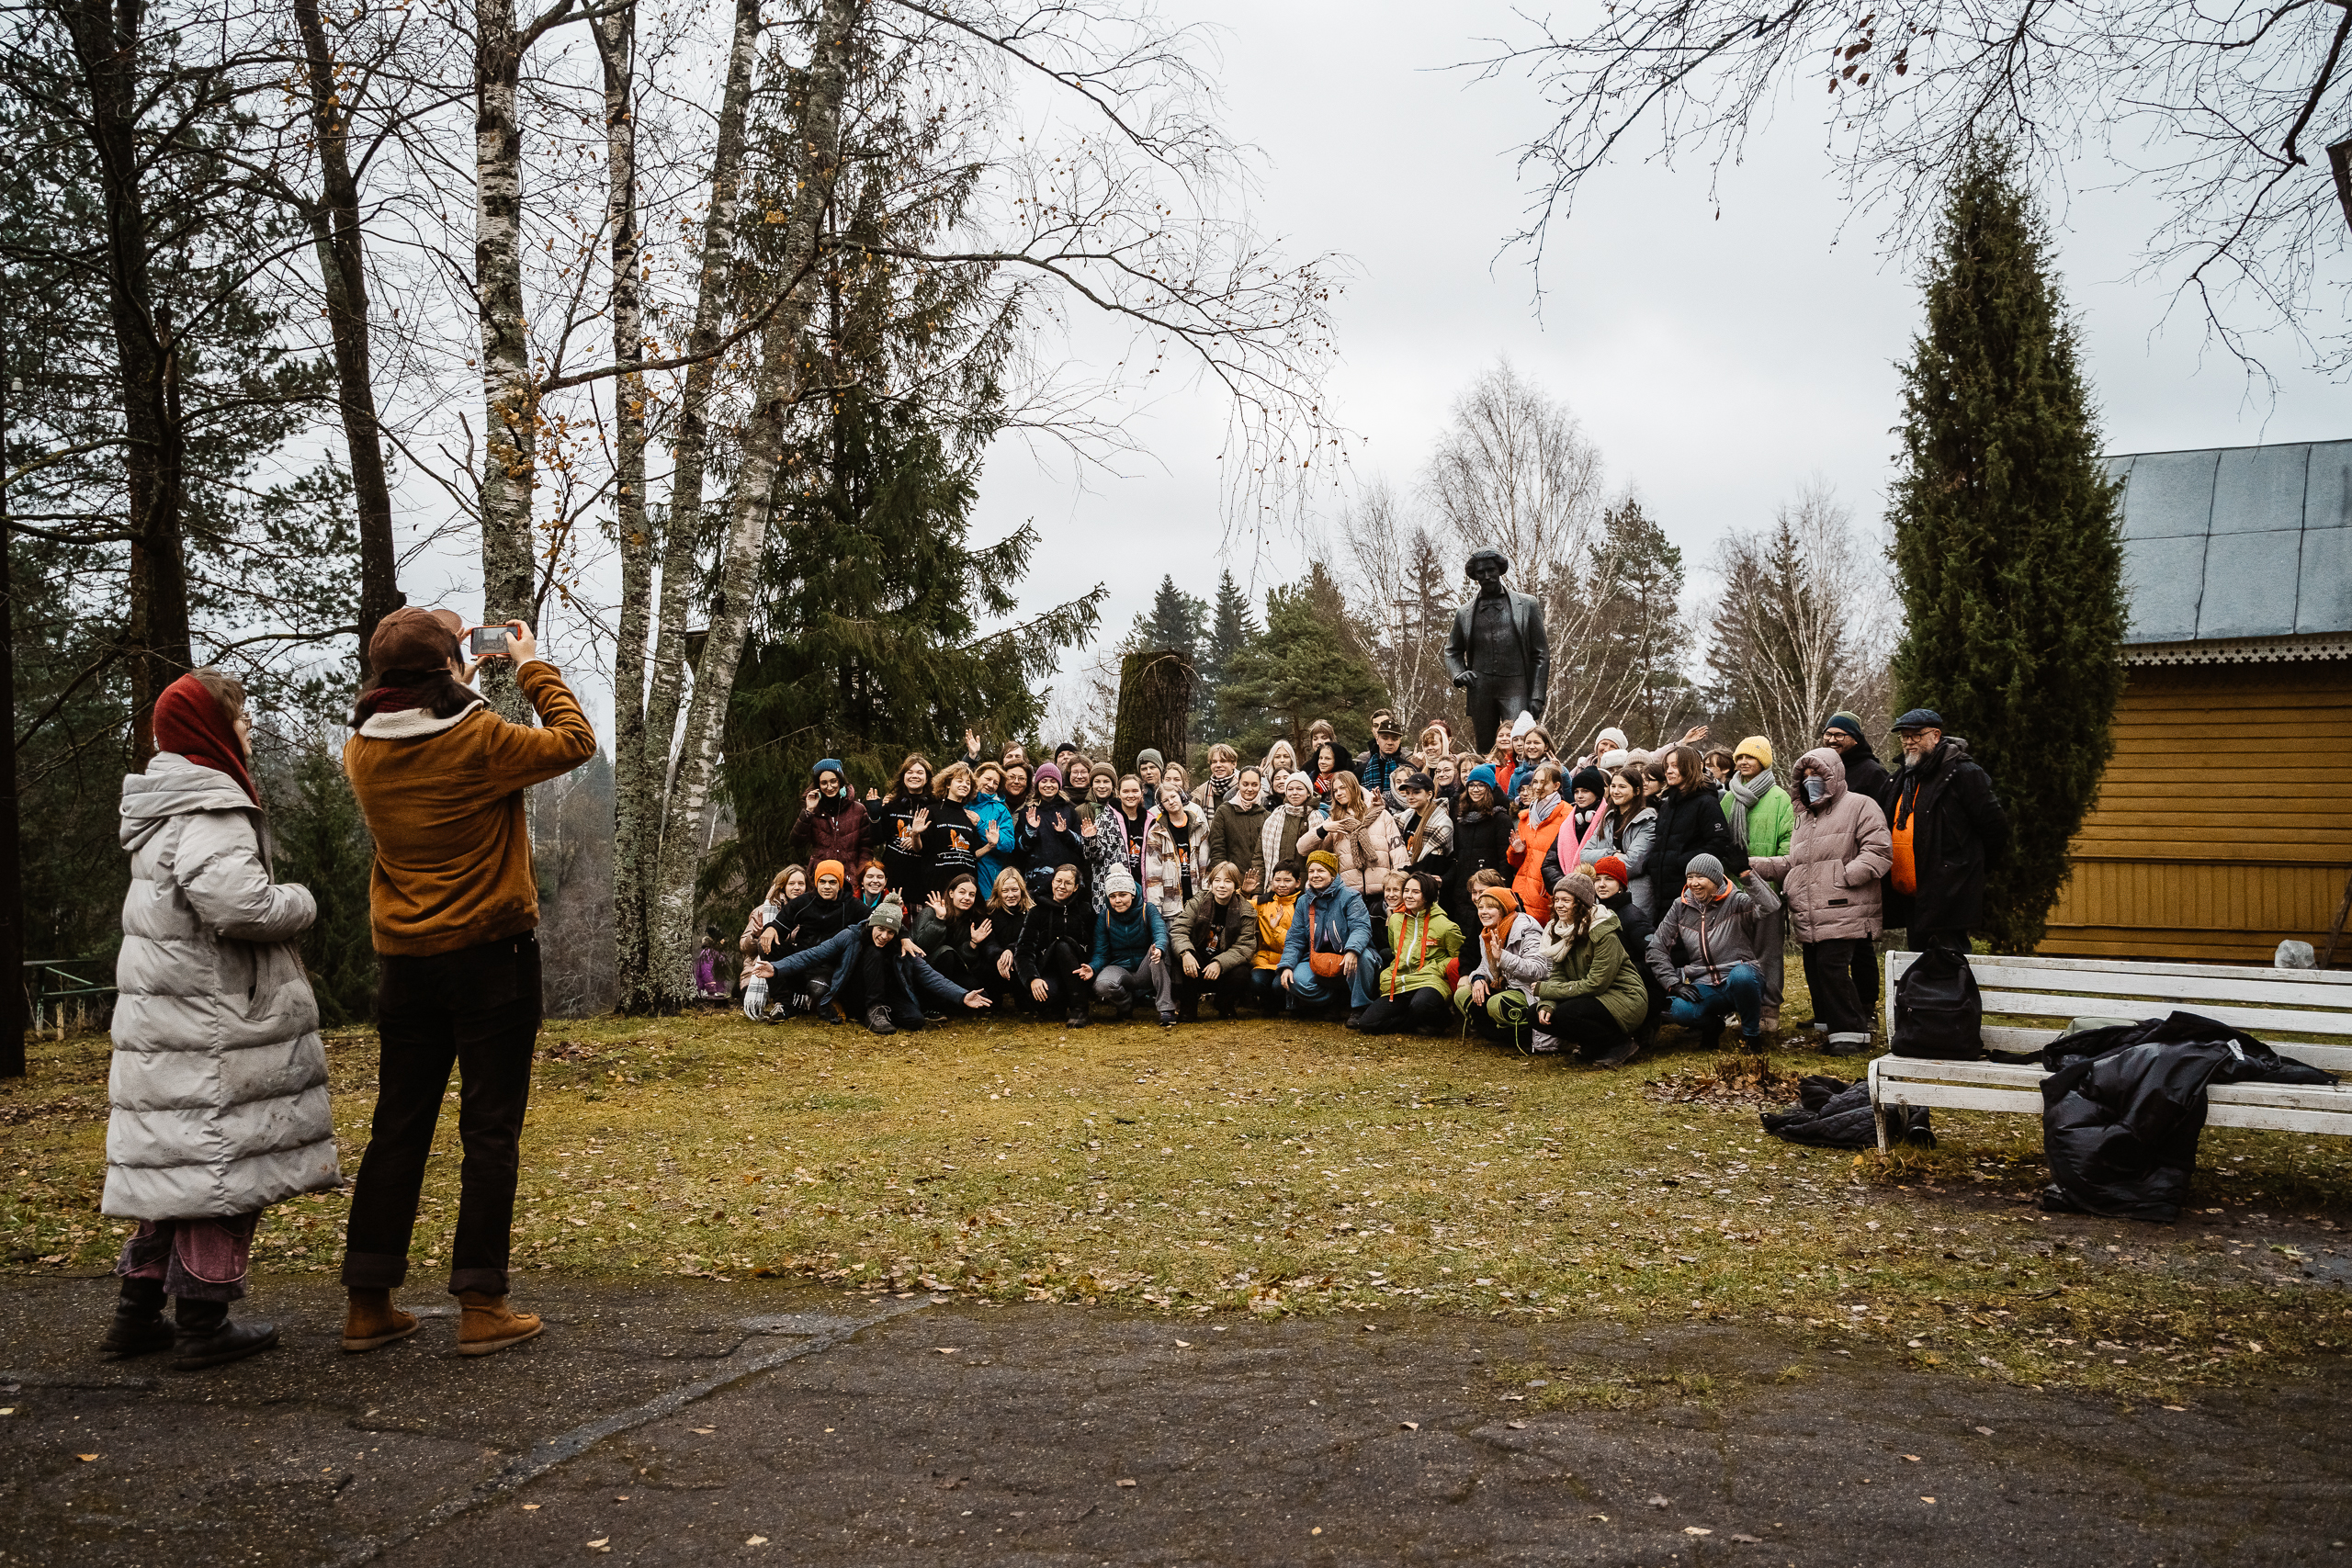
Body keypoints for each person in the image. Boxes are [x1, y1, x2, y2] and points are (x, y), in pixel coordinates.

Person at [338, 609, 595, 1358]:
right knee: (489, 1129)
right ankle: (481, 1302)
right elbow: (575, 740)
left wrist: (455, 681)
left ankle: (368, 1300)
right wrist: (529, 665)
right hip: (490, 956)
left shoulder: (361, 749)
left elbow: (417, 727)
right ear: (446, 665)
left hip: (405, 962)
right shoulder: (479, 738)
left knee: (398, 1126)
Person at [102, 669, 334, 1371]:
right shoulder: (212, 807)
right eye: (238, 716)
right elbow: (239, 905)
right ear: (209, 727)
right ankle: (203, 1320)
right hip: (210, 1018)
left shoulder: (162, 804)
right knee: (222, 1169)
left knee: (177, 1167)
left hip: (165, 1016)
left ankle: (136, 1314)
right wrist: (301, 900)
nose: (248, 727)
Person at [1747, 747, 1892, 1055]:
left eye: (1817, 774)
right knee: (1816, 968)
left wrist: (1844, 876)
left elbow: (1879, 851)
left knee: (1831, 967)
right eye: (1805, 775)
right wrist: (1754, 864)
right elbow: (1796, 863)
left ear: (1834, 775)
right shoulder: (1803, 818)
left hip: (1844, 905)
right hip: (1810, 910)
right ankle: (1831, 1027)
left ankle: (1853, 1033)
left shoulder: (1860, 805)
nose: (1810, 780)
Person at [1883, 709, 2008, 954]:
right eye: (1904, 736)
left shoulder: (1963, 773)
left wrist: (1965, 869)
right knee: (1919, 964)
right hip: (1912, 896)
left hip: (1949, 893)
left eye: (1916, 735)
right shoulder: (1903, 776)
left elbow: (1995, 828)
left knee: (1949, 965)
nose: (1909, 742)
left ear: (1936, 735)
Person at [806, 892, 991, 1035]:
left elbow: (931, 976)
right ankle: (872, 1010)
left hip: (889, 992)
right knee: (874, 952)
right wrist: (784, 969)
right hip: (859, 990)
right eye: (880, 929)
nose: (884, 936)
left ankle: (879, 1012)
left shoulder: (903, 947)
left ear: (897, 933)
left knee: (915, 1021)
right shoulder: (853, 936)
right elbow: (810, 956)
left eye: (890, 932)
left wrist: (962, 995)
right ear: (873, 924)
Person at [1647, 855, 1781, 1050]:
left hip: (1740, 979)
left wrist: (1746, 875)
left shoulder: (1736, 900)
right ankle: (1712, 1027)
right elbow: (1656, 948)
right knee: (1680, 1010)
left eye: (1700, 877)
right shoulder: (1680, 906)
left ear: (1716, 879)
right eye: (1690, 877)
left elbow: (1771, 906)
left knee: (1743, 976)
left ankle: (1752, 1036)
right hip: (1705, 984)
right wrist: (1673, 984)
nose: (1694, 883)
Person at [1531, 873, 1649, 1066]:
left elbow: (1596, 984)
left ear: (1580, 904)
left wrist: (1546, 990)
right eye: (1557, 900)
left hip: (1624, 997)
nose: (1559, 905)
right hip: (1590, 996)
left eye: (1566, 900)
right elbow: (1559, 974)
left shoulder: (1603, 932)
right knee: (1535, 1014)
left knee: (1568, 1012)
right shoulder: (1560, 929)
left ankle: (1621, 1043)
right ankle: (1593, 1045)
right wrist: (1547, 1003)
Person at [1445, 547, 1551, 752]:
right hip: (1480, 687)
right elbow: (1452, 650)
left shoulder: (1527, 604)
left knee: (1519, 743)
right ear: (1474, 576)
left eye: (1491, 570)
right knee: (1485, 748)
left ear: (1500, 570)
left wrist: (1537, 696)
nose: (1487, 576)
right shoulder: (1464, 612)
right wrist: (1458, 673)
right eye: (1481, 572)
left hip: (1516, 686)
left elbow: (1541, 654)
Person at [1722, 737, 1794, 1031]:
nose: (1743, 762)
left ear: (1764, 761)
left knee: (1768, 952)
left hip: (1768, 890)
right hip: (1732, 891)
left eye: (1750, 757)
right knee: (1735, 951)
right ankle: (1740, 1007)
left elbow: (1788, 842)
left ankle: (1768, 1008)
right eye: (1739, 757)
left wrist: (1767, 872)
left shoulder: (1780, 798)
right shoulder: (1728, 799)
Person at [1351, 871, 1463, 1036]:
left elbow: (1458, 958)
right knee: (1367, 1024)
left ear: (1427, 895)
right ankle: (1415, 1021)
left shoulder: (1446, 926)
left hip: (1430, 981)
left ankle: (1441, 1020)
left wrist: (1436, 969)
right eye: (1406, 891)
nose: (1409, 896)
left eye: (1415, 892)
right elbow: (1396, 950)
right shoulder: (1396, 920)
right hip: (1401, 981)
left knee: (1421, 1004)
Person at [1278, 851, 1379, 1021]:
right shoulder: (1303, 902)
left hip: (1348, 954)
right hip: (1317, 957)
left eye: (1321, 870)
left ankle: (1360, 1008)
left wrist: (1352, 950)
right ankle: (1335, 1000)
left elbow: (1361, 927)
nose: (1315, 875)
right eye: (1311, 871)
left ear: (1332, 874)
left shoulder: (1351, 897)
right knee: (1295, 980)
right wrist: (1287, 965)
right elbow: (1295, 938)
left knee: (1364, 958)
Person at [1647, 744, 1744, 918]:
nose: (1669, 771)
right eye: (1667, 766)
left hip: (1692, 890)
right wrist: (1653, 863)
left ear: (1690, 767)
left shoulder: (1706, 803)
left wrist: (1682, 862)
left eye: (1675, 765)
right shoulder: (1667, 806)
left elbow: (1719, 843)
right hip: (1661, 891)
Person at [1298, 772, 1404, 923]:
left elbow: (1398, 854)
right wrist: (1324, 829)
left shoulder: (1382, 815)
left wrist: (1400, 888)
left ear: (1354, 787)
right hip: (1350, 896)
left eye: (1343, 788)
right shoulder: (1335, 822)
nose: (1339, 793)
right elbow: (1302, 848)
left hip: (1383, 895)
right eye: (1335, 790)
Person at [1453, 886, 1547, 1045]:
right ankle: (1496, 1035)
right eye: (1481, 907)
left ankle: (1523, 1036)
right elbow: (1485, 966)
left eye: (1490, 907)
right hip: (1505, 987)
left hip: (1529, 991)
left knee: (1496, 1004)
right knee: (1463, 994)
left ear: (1504, 908)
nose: (1484, 912)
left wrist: (1503, 957)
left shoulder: (1526, 929)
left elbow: (1539, 970)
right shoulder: (1488, 931)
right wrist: (1478, 978)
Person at [1590, 853, 1666, 1039]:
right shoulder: (1598, 914)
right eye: (1597, 879)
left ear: (1621, 886)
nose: (1601, 884)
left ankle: (1644, 1026)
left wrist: (1621, 972)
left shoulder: (1632, 916)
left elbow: (1655, 959)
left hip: (1641, 989)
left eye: (1609, 879)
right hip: (1613, 984)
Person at [1171, 861, 1257, 1020]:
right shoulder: (1197, 902)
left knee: (1242, 973)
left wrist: (1220, 963)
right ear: (1211, 883)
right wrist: (1185, 953)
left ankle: (1224, 1004)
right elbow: (1179, 930)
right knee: (1183, 958)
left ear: (1236, 885)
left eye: (1228, 881)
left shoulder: (1246, 910)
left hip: (1223, 967)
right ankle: (1188, 1008)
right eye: (1217, 880)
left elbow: (1245, 946)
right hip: (1198, 962)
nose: (1221, 885)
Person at [1092, 865, 1177, 1027]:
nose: (1118, 900)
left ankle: (1166, 1009)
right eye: (1112, 896)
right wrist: (1092, 967)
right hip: (1120, 969)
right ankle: (1126, 1004)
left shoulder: (1148, 909)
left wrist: (1159, 948)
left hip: (1147, 968)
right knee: (1102, 985)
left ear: (1132, 893)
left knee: (1156, 952)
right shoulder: (1105, 916)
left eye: (1122, 895)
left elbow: (1160, 932)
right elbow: (1100, 952)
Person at [1015, 863, 1095, 1026]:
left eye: (1068, 883)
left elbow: (1096, 944)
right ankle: (1058, 1003)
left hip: (1080, 971)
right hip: (1049, 970)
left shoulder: (1085, 910)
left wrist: (1093, 967)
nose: (1062, 886)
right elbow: (1024, 950)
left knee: (1063, 945)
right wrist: (1032, 979)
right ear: (1052, 882)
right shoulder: (1037, 912)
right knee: (1041, 998)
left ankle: (1080, 1009)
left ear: (1076, 887)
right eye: (1058, 881)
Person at [1579, 764, 1657, 916]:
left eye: (1622, 787)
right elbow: (1584, 855)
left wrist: (1601, 862)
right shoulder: (1608, 818)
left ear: (1637, 791)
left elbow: (1633, 864)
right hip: (1604, 897)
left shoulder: (1647, 821)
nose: (1615, 791)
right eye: (1613, 786)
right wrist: (1612, 854)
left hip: (1635, 896)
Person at [1442, 767, 1511, 933]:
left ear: (1490, 788)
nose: (1475, 789)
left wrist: (1502, 889)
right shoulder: (1461, 819)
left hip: (1489, 891)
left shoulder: (1500, 819)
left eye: (1481, 785)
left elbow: (1505, 859)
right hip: (1463, 890)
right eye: (1471, 785)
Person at [1506, 760, 1570, 925]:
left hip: (1547, 894)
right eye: (1535, 782)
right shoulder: (1526, 817)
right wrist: (1516, 851)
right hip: (1521, 892)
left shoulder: (1567, 815)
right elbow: (1514, 863)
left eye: (1544, 782)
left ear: (1556, 786)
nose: (1538, 786)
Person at [864, 753, 935, 896]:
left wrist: (917, 838)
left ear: (927, 778)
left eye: (920, 773)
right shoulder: (892, 805)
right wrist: (875, 815)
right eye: (910, 772)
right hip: (893, 876)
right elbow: (877, 839)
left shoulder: (935, 806)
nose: (914, 776)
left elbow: (937, 839)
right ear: (903, 777)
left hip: (922, 879)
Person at [1013, 763, 1086, 902]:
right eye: (1044, 781)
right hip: (1037, 880)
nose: (1048, 785)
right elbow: (1019, 849)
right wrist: (1030, 830)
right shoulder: (1027, 811)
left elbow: (1081, 845)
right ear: (1037, 785)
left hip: (1066, 880)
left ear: (1059, 784)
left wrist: (1065, 833)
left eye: (1053, 781)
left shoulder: (1070, 809)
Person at [788, 759, 866, 880]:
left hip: (850, 880)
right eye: (824, 783)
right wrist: (808, 811)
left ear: (840, 782)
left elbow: (866, 848)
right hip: (821, 879)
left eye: (833, 781)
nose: (829, 787)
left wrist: (860, 875)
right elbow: (796, 842)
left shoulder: (858, 810)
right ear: (818, 786)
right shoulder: (813, 810)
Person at [911, 872, 989, 993]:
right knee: (946, 952)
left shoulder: (968, 921)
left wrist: (973, 943)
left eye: (971, 894)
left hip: (949, 972)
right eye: (962, 892)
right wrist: (939, 920)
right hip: (923, 969)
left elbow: (959, 960)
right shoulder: (931, 912)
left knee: (975, 986)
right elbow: (921, 946)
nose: (967, 898)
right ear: (951, 893)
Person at [1145, 779, 1208, 920]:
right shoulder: (1156, 832)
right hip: (1171, 906)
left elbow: (1206, 867)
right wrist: (1155, 909)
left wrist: (1207, 900)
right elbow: (1153, 875)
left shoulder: (1200, 827)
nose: (1171, 802)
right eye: (1166, 800)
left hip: (1197, 899)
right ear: (1161, 805)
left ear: (1181, 796)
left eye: (1173, 796)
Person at [1250, 861, 1304, 1014]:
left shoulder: (1302, 903)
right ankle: (1270, 1004)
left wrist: (1276, 929)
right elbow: (1237, 906)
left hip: (1292, 960)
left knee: (1278, 985)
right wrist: (1244, 892)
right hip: (1266, 958)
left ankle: (1290, 1003)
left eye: (1287, 880)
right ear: (1272, 881)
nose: (1281, 885)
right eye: (1277, 880)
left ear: (1298, 882)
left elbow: (1299, 939)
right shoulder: (1263, 902)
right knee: (1256, 981)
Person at [1261, 773, 1325, 897]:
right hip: (1278, 886)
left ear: (1308, 793)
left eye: (1299, 789)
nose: (1294, 793)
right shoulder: (1275, 817)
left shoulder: (1317, 818)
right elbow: (1260, 854)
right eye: (1290, 789)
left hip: (1305, 887)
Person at [927, 762, 988, 893]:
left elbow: (973, 854)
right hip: (938, 884)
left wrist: (991, 846)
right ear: (948, 784)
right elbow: (922, 849)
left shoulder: (970, 816)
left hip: (965, 886)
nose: (964, 785)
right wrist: (915, 834)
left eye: (968, 783)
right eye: (959, 781)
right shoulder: (932, 811)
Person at [1208, 765, 1271, 892]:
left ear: (1260, 786)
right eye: (1245, 784)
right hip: (1231, 883)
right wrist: (1223, 881)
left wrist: (1259, 887)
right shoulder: (1224, 812)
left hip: (1259, 884)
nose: (1250, 789)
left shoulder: (1266, 816)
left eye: (1254, 785)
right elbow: (1217, 850)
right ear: (1238, 785)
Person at [1820, 711, 1892, 809]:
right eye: (1828, 734)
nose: (1832, 740)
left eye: (1839, 735)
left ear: (1856, 738)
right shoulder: (1819, 769)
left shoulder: (1873, 773)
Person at [1395, 770, 1453, 887]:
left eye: (1416, 792)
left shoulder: (1442, 824)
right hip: (1406, 879)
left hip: (1426, 884)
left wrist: (1400, 872)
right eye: (1407, 793)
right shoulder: (1406, 816)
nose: (1410, 797)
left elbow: (1430, 864)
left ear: (1429, 794)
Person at [971, 761, 1018, 896]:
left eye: (995, 783)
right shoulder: (963, 802)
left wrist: (981, 825)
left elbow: (1009, 844)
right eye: (987, 779)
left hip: (986, 874)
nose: (991, 785)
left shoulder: (1000, 810)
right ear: (977, 777)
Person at [1358, 710, 1410, 803]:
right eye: (1385, 738)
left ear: (1400, 741)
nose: (1389, 743)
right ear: (1377, 740)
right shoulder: (1362, 770)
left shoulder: (1409, 768)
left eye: (1394, 739)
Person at [1193, 743, 1243, 814]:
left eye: (1223, 761)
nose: (1218, 765)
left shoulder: (1245, 786)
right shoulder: (1202, 792)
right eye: (1214, 762)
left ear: (1234, 764)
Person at [695, 928, 731, 1002]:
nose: (724, 941)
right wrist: (711, 988)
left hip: (717, 990)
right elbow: (707, 971)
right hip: (710, 992)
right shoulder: (709, 952)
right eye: (722, 939)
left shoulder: (716, 952)